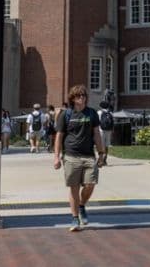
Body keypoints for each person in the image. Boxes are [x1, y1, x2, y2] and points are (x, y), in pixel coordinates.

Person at [54, 85, 106, 232]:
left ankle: (82, 205)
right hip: (71, 156)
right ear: (73, 98)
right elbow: (59, 136)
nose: (82, 98)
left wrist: (101, 154)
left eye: (83, 95)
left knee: (91, 184)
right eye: (78, 96)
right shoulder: (66, 115)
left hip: (89, 156)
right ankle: (75, 218)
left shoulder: (91, 113)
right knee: (74, 188)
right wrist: (56, 157)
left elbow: (97, 133)